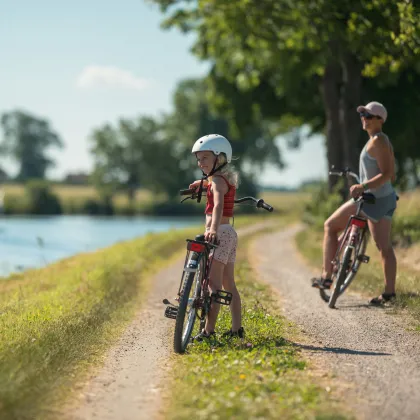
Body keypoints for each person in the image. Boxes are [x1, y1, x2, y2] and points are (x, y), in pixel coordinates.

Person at [312, 101, 398, 305]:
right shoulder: (377, 140)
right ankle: (389, 293)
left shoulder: (379, 141)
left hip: (373, 199)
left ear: (380, 120)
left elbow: (388, 174)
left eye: (369, 116)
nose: (364, 119)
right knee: (383, 247)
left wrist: (363, 185)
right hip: (382, 199)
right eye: (362, 115)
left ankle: (326, 276)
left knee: (330, 226)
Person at [189, 134, 244, 340]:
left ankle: (208, 331)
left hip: (219, 232)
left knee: (213, 285)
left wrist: (212, 229)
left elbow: (218, 204)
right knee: (229, 283)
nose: (199, 162)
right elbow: (213, 186)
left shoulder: (218, 182)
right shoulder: (221, 178)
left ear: (219, 158)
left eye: (204, 158)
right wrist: (202, 184)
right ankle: (236, 329)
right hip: (229, 233)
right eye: (198, 158)